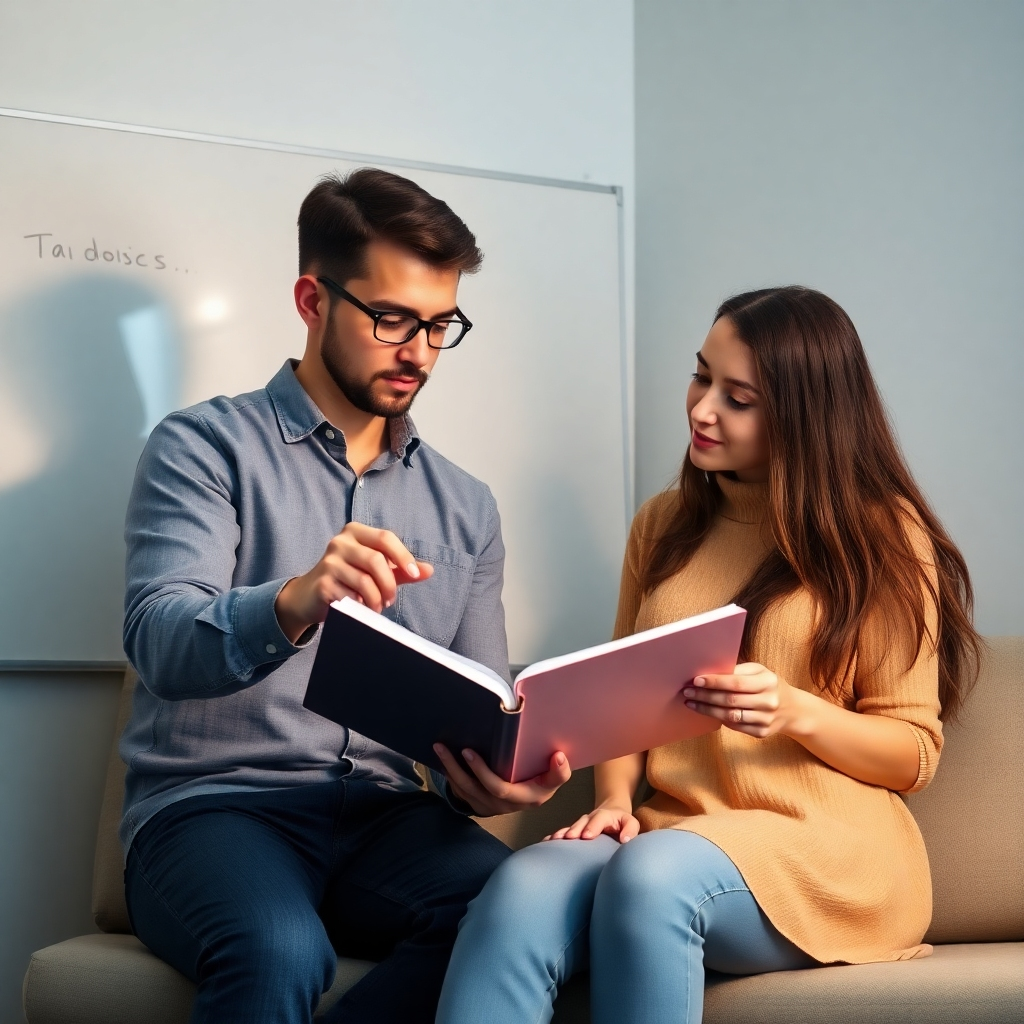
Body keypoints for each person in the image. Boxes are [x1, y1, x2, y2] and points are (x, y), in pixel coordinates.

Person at [436, 286, 980, 1024]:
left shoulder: (881, 538)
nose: (702, 408)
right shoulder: (663, 526)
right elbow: (617, 699)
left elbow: (913, 753)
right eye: (701, 377)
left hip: (826, 852)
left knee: (654, 876)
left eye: (739, 397)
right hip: (672, 833)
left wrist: (794, 711)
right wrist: (615, 802)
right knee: (525, 885)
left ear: (804, 413)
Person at [119, 168, 570, 1024]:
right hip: (214, 809)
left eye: (442, 325)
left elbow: (477, 708)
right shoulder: (201, 449)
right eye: (393, 319)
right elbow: (160, 641)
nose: (420, 353)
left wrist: (493, 782)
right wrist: (293, 599)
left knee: (524, 910)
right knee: (279, 949)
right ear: (311, 299)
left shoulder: (465, 506)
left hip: (385, 817)